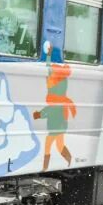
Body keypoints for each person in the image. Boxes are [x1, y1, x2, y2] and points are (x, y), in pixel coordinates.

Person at [34, 43, 75, 171]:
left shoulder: (57, 88)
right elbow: (48, 68)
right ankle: (68, 160)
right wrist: (49, 55)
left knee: (50, 144)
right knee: (59, 145)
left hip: (58, 122)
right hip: (60, 122)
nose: (47, 79)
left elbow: (50, 110)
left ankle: (46, 167)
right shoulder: (59, 81)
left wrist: (39, 114)